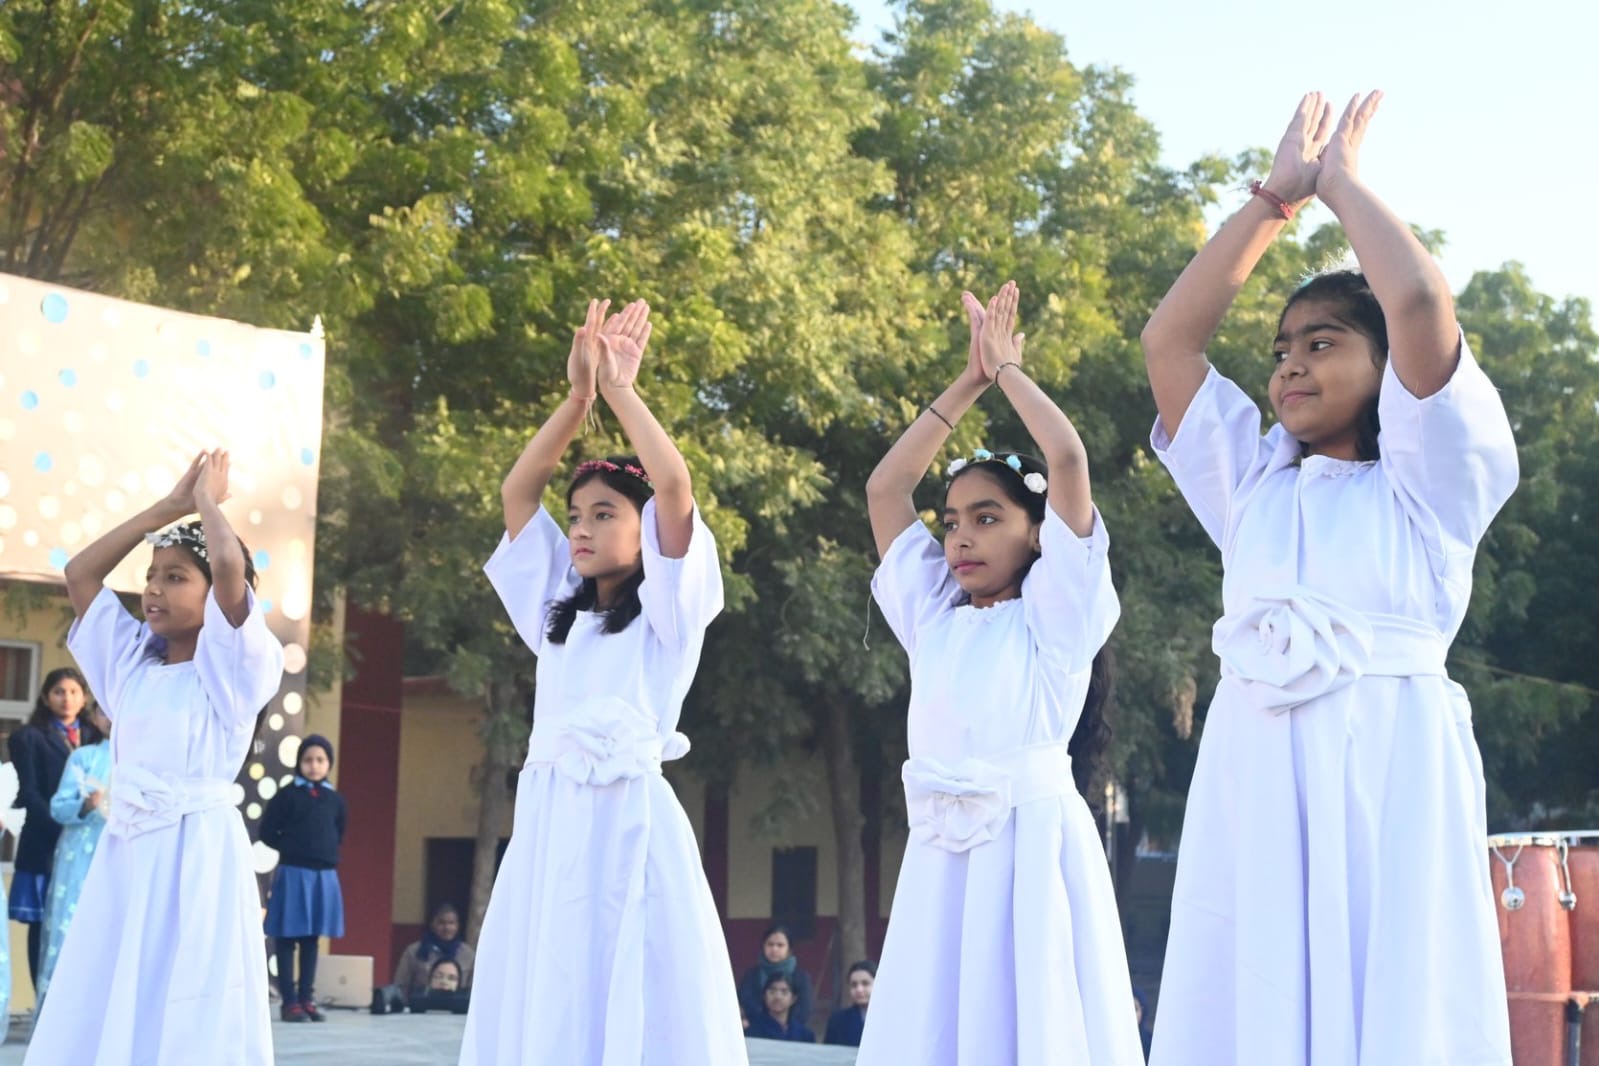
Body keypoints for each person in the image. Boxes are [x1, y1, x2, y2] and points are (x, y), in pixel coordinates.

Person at [1140, 93, 1518, 1066]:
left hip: (1390, 771)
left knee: (1391, 1000)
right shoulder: (1251, 484)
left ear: (1388, 369)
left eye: (1322, 343)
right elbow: (1169, 345)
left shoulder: (1427, 487)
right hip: (1257, 772)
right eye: (1280, 350)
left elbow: (1420, 304)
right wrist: (1271, 203)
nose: (1290, 367)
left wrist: (1341, 188)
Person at [859, 283, 1143, 1065]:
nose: (960, 538)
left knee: (1031, 1023)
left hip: (1030, 847)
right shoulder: (933, 618)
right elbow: (885, 489)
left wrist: (1008, 370)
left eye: (987, 518)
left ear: (1038, 532)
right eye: (951, 522)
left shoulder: (1056, 616)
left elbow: (1066, 459)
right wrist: (967, 381)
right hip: (941, 853)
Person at [458, 299, 745, 1065]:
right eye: (577, 515)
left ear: (644, 532)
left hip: (626, 823)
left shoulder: (668, 614)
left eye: (603, 515)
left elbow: (674, 487)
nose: (580, 529)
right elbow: (518, 495)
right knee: (549, 984)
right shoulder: (558, 611)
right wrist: (576, 399)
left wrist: (619, 391)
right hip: (550, 824)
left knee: (633, 979)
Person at [27, 449, 284, 1065]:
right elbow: (80, 573)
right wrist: (167, 508)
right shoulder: (131, 664)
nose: (152, 589)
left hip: (198, 852)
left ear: (215, 595)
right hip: (128, 851)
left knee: (189, 995)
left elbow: (229, 565)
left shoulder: (232, 670)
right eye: (151, 575)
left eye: (175, 577)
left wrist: (207, 504)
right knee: (112, 986)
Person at [9, 666, 101, 989]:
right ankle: (42, 995)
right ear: (46, 697)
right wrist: (63, 824)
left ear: (84, 697)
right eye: (59, 692)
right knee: (43, 923)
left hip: (87, 846)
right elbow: (29, 792)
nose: (67, 699)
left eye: (74, 692)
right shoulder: (28, 737)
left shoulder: (96, 736)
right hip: (45, 842)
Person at [260, 733, 347, 1022]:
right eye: (308, 759)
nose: (314, 765)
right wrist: (291, 847)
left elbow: (339, 831)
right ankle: (289, 1002)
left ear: (329, 763)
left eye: (320, 760)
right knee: (287, 938)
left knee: (311, 940)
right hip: (294, 873)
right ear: (299, 762)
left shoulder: (335, 800)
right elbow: (267, 832)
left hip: (323, 876)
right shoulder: (287, 796)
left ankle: (307, 998)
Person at [37, 702, 114, 1004]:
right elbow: (58, 807)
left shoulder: (145, 759)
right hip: (79, 857)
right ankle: (58, 1014)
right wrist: (86, 805)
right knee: (69, 933)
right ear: (94, 717)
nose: (112, 716)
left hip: (125, 857)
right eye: (104, 710)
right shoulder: (84, 757)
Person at [392, 903, 476, 1006]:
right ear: (432, 924)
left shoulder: (469, 954)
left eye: (451, 923)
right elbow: (401, 985)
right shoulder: (414, 952)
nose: (447, 928)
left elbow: (473, 989)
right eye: (441, 923)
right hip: (420, 1010)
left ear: (457, 926)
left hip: (457, 1011)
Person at [736, 924, 814, 1034]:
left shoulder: (801, 977)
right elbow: (745, 1003)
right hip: (757, 1032)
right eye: (770, 944)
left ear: (789, 949)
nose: (774, 949)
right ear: (763, 946)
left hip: (790, 1034)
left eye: (780, 945)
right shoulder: (752, 975)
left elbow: (804, 1010)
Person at [746, 972, 816, 1043]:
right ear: (764, 996)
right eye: (772, 991)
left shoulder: (805, 1035)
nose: (777, 997)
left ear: (793, 999)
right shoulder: (752, 1031)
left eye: (784, 992)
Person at [824, 960, 876, 1047]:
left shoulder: (892, 1018)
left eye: (865, 983)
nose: (859, 989)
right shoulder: (837, 1021)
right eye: (854, 985)